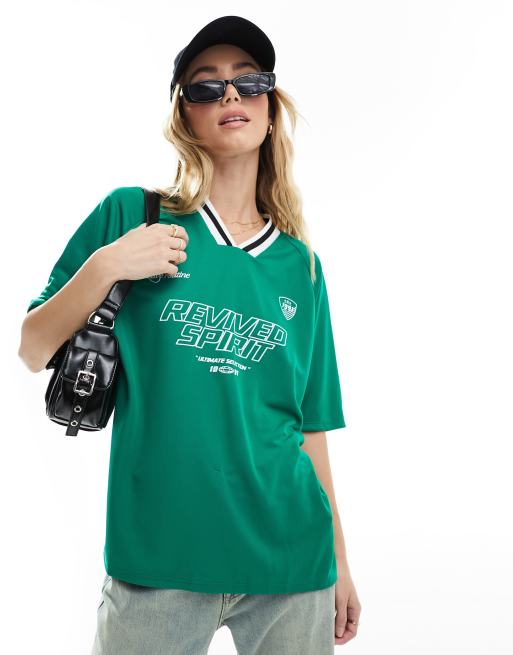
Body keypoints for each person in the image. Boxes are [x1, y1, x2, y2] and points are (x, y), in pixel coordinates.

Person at [19, 14, 361, 655]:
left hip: (291, 561)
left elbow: (310, 426)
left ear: (269, 108)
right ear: (185, 115)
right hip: (158, 560)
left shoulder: (302, 267)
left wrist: (339, 559)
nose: (230, 94)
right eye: (207, 85)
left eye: (248, 81)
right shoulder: (132, 214)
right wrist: (108, 265)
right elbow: (33, 346)